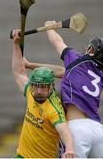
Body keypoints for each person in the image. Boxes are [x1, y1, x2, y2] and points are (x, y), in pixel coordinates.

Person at [43, 20, 103, 158]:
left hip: (76, 128)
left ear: (91, 50)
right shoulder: (100, 75)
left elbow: (57, 42)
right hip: (98, 129)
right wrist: (29, 65)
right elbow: (63, 72)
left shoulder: (77, 60)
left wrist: (49, 28)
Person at [12, 29, 75, 158]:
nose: (39, 91)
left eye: (43, 87)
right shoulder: (31, 91)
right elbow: (18, 71)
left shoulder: (53, 109)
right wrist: (16, 44)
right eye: (36, 86)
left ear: (51, 87)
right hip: (21, 156)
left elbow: (64, 131)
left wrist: (70, 149)